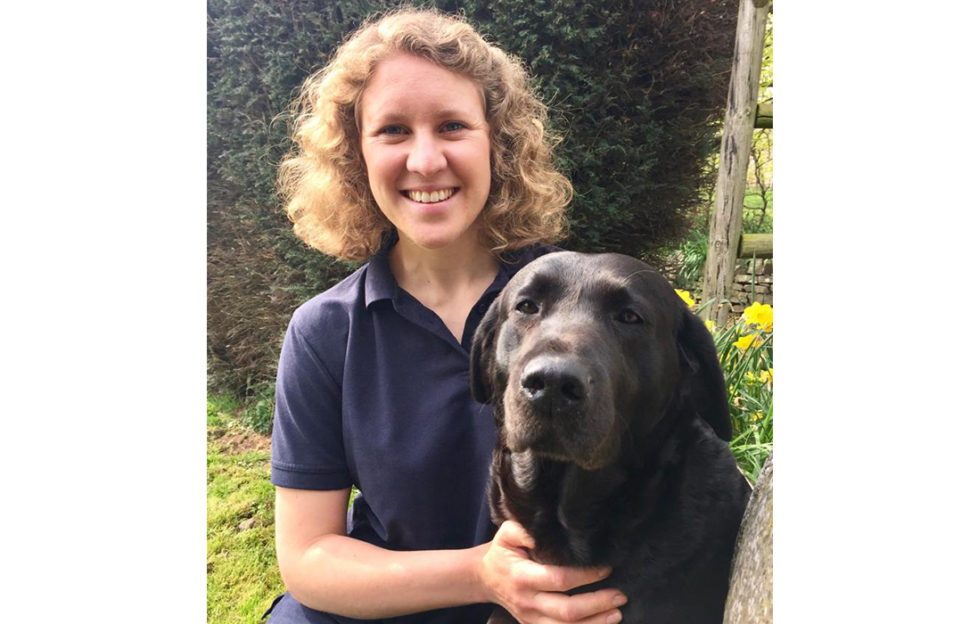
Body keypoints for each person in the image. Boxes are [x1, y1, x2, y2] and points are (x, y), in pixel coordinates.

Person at [265, 8, 627, 624]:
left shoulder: (588, 307)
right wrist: (482, 575)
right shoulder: (325, 333)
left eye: (453, 125)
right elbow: (308, 558)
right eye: (393, 131)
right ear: (357, 155)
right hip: (378, 607)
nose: (426, 160)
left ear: (499, 144)